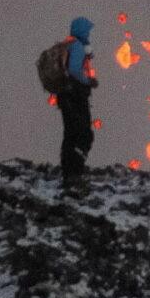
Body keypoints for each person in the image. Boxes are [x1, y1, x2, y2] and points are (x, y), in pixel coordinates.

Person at [57, 16, 98, 192]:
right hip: (75, 96)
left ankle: (68, 174)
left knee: (70, 134)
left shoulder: (67, 44)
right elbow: (74, 69)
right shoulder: (77, 46)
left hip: (65, 95)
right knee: (83, 135)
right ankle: (75, 174)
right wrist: (88, 81)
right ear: (82, 30)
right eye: (87, 30)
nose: (89, 33)